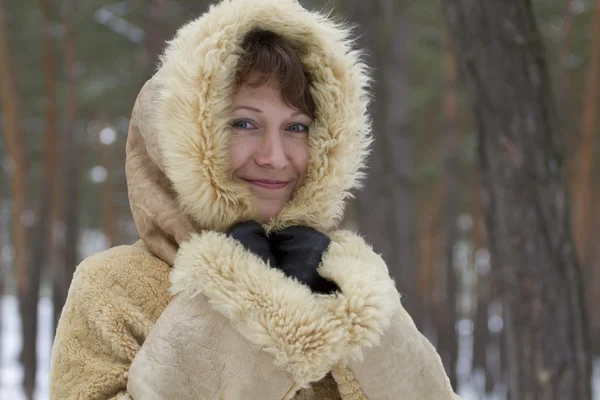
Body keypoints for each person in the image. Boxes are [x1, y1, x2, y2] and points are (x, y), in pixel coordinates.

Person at [49, 0, 461, 399]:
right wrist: (238, 302)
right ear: (179, 135)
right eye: (244, 123)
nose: (274, 157)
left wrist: (361, 312)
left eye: (297, 127)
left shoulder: (349, 280)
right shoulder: (112, 289)